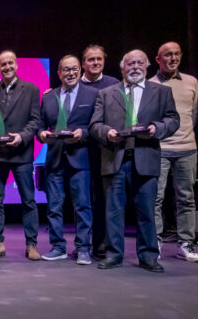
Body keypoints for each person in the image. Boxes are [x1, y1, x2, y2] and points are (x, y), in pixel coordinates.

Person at [90, 50, 179, 273]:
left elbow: (173, 119)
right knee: (113, 212)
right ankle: (113, 254)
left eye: (140, 63)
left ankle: (149, 256)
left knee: (147, 211)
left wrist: (157, 128)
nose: (135, 67)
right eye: (130, 63)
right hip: (115, 159)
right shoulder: (106, 94)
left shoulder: (162, 92)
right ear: (122, 68)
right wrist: (107, 132)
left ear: (147, 66)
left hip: (145, 158)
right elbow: (94, 125)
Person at [0, 50, 42, 260]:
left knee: (29, 201)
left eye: (10, 63)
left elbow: (35, 121)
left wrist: (22, 137)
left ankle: (31, 245)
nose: (7, 67)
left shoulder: (31, 89)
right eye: (3, 64)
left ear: (16, 64)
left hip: (21, 153)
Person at [37, 55, 97, 265]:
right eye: (66, 69)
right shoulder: (49, 97)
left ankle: (83, 248)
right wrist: (41, 134)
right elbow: (40, 124)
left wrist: (84, 132)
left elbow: (97, 125)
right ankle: (58, 247)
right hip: (54, 158)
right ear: (59, 73)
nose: (70, 73)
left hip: (80, 159)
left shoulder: (93, 94)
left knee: (82, 206)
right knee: (54, 207)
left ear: (80, 70)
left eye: (74, 69)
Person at [150, 42, 198, 263]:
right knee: (156, 198)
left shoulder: (192, 82)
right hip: (159, 148)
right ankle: (155, 242)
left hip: (186, 148)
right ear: (158, 59)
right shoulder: (150, 84)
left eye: (177, 54)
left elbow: (193, 114)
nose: (173, 58)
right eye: (168, 55)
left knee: (186, 198)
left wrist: (183, 135)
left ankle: (185, 243)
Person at [80, 44, 120, 259]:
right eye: (91, 59)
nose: (95, 63)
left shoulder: (114, 84)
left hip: (106, 150)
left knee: (104, 199)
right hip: (80, 151)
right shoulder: (73, 84)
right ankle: (82, 245)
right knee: (83, 201)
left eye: (99, 59)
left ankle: (102, 244)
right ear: (83, 63)